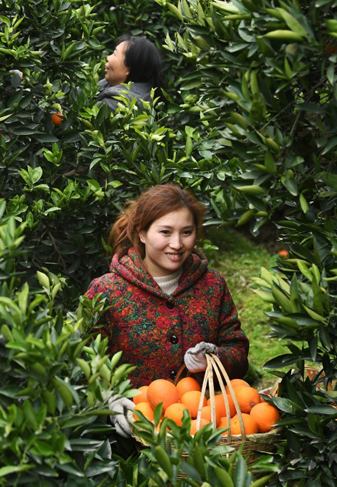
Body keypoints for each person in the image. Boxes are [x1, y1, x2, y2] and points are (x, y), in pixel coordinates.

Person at [85, 184, 249, 437]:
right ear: (142, 233)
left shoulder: (212, 286)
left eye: (186, 232)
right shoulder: (107, 291)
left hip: (203, 434)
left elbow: (238, 354)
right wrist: (108, 398)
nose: (177, 244)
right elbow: (81, 361)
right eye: (165, 232)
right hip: (130, 438)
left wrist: (212, 358)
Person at [96, 35, 162, 111]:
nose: (108, 57)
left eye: (114, 54)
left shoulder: (119, 103)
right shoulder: (146, 91)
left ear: (129, 69)